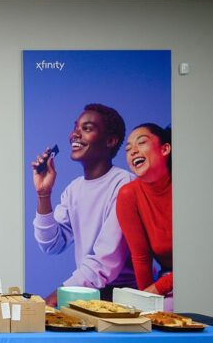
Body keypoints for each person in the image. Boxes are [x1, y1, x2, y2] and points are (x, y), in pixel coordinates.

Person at [31, 103, 136, 305]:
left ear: (110, 141)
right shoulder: (74, 189)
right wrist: (43, 194)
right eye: (75, 128)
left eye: (86, 129)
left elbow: (106, 260)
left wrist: (60, 294)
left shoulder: (125, 185)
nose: (74, 135)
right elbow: (51, 244)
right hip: (89, 295)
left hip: (125, 300)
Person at [116, 123, 173, 309]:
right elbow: (140, 257)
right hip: (165, 282)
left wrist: (156, 290)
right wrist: (145, 304)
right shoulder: (128, 195)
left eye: (141, 143)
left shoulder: (187, 186)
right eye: (128, 149)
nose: (133, 151)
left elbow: (201, 258)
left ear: (165, 149)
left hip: (202, 274)